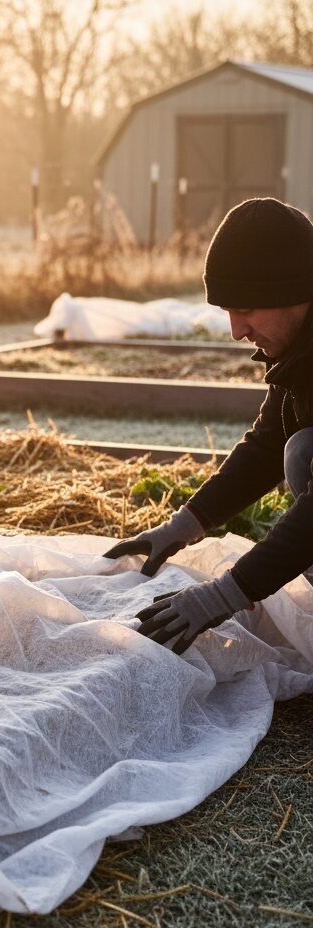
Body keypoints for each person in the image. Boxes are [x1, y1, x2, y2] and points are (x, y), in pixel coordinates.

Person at [105, 197, 313, 653]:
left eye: (247, 310)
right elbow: (264, 446)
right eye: (227, 312)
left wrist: (221, 596)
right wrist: (181, 526)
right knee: (295, 446)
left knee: (306, 453)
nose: (237, 330)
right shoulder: (298, 347)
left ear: (293, 290)